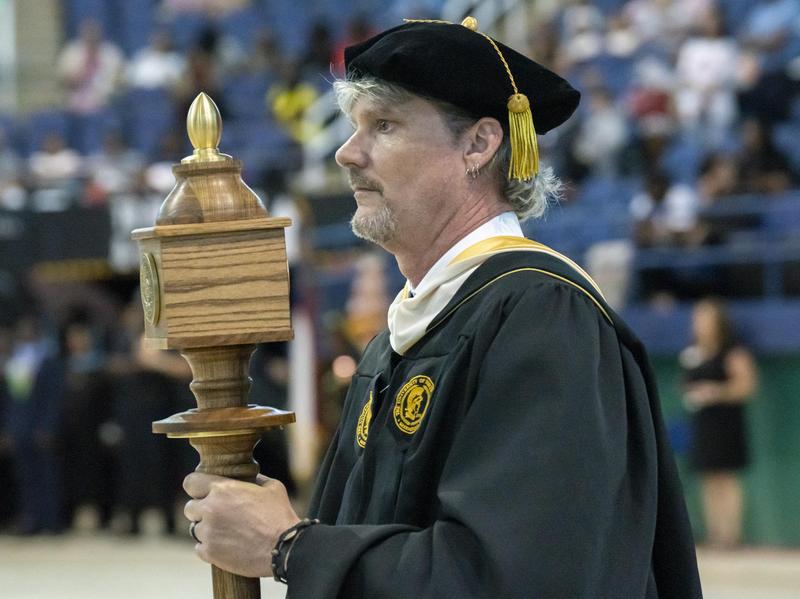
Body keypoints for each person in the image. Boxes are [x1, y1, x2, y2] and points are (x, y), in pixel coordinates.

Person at [183, 18, 703, 597]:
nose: (346, 153)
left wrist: (290, 548)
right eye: (355, 127)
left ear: (479, 144)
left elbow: (519, 578)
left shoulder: (543, 315)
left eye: (384, 125)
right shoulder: (398, 339)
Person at [680, 298, 757, 548]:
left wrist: (716, 392)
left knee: (727, 477)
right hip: (703, 422)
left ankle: (731, 535)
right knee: (708, 477)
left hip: (726, 421)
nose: (700, 324)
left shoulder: (732, 350)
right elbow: (685, 384)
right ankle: (715, 533)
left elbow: (746, 385)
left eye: (706, 318)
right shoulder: (692, 352)